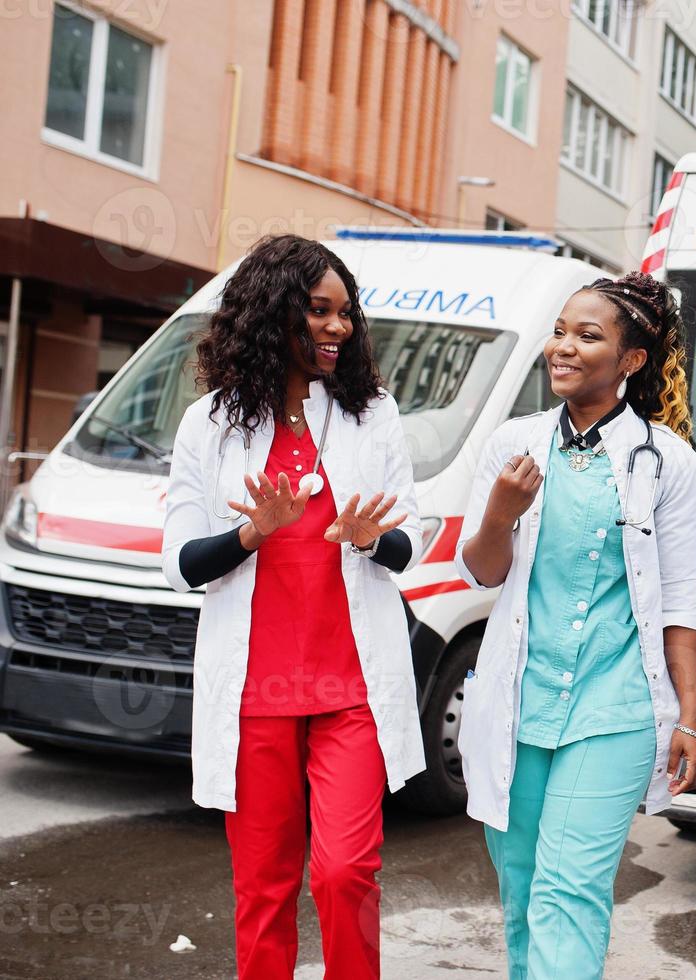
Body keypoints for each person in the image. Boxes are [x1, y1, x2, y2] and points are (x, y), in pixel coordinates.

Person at [162, 234, 426, 979]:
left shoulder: (371, 414)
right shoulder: (210, 425)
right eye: (318, 311)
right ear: (271, 311)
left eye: (345, 313)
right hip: (254, 698)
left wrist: (377, 539)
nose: (338, 327)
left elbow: (412, 542)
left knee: (344, 875)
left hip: (351, 692)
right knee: (264, 891)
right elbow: (182, 563)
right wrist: (252, 532)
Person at [455, 271, 696, 979]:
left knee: (570, 892)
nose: (562, 347)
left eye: (586, 336)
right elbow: (481, 572)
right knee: (522, 893)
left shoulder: (668, 462)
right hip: (519, 704)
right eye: (561, 331)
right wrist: (500, 513)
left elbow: (682, 601)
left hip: (614, 709)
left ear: (631, 361)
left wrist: (689, 718)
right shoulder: (514, 444)